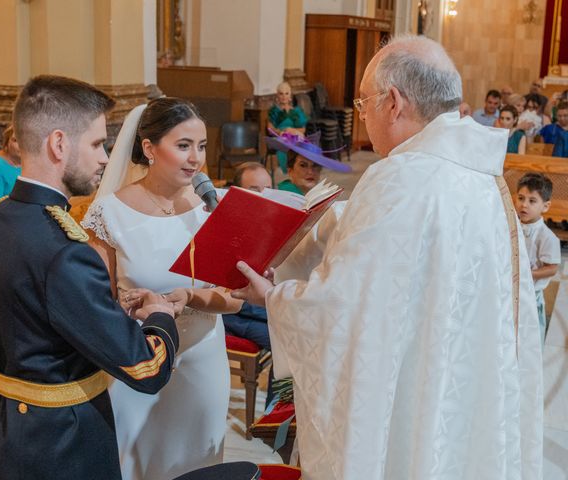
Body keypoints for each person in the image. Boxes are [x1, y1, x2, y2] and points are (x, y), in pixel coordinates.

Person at [233, 35, 543, 480]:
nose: (362, 116)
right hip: (461, 380)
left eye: (363, 104)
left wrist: (273, 297)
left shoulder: (399, 177)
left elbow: (342, 308)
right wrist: (325, 222)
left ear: (393, 102)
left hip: (411, 394)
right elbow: (417, 246)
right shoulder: (480, 176)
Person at [0, 75, 180, 480]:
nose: (104, 157)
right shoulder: (66, 251)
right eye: (97, 143)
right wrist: (160, 314)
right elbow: (146, 369)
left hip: (5, 428)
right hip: (63, 443)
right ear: (59, 144)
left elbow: (34, 322)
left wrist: (103, 312)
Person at [81, 98, 242, 480]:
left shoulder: (212, 206)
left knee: (197, 461)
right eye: (183, 145)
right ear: (150, 148)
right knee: (133, 458)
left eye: (201, 146)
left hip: (203, 356)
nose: (196, 159)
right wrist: (129, 303)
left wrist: (190, 297)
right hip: (140, 356)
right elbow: (95, 301)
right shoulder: (110, 212)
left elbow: (234, 299)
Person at [515, 173, 561, 346]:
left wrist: (529, 274)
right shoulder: (512, 227)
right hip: (511, 292)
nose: (524, 205)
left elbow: (552, 267)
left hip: (531, 297)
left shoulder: (547, 237)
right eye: (521, 198)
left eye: (532, 201)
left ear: (546, 206)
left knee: (530, 337)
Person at [267, 132, 351, 196]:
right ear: (290, 171)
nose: (310, 172)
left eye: (315, 166)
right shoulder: (285, 198)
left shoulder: (318, 195)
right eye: (303, 165)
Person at [268, 81, 307, 172]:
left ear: (290, 95)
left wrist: (291, 130)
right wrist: (281, 132)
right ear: (277, 95)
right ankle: (289, 169)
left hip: (294, 136)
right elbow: (270, 129)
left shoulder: (296, 111)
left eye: (286, 93)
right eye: (281, 94)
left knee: (301, 142)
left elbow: (303, 129)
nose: (284, 96)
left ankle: (298, 168)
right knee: (286, 141)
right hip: (279, 137)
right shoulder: (274, 111)